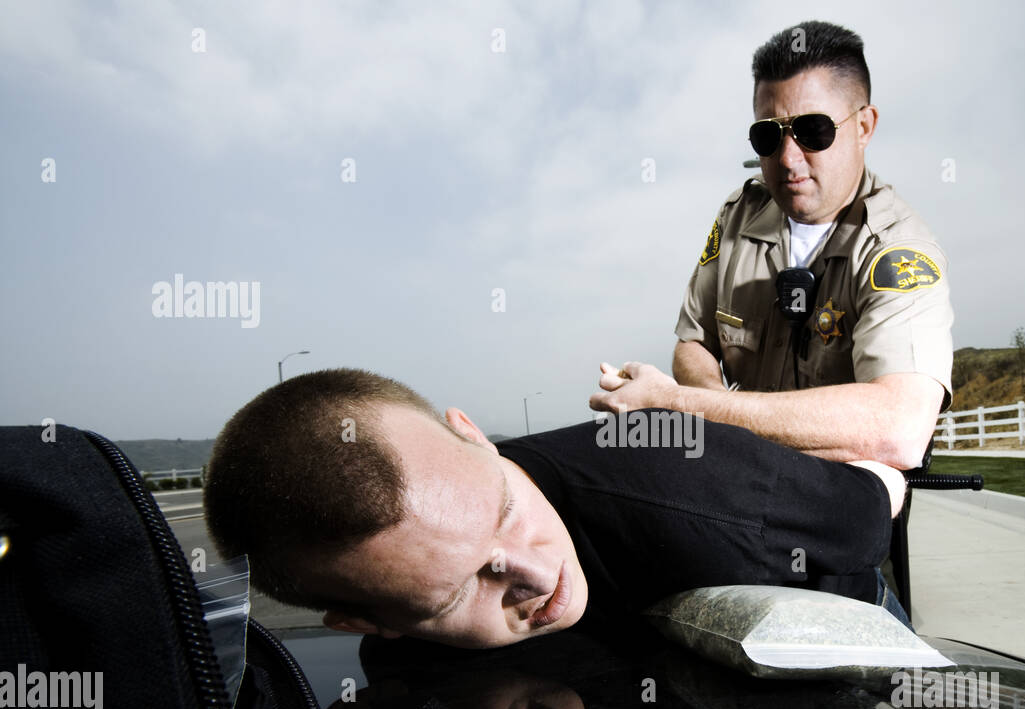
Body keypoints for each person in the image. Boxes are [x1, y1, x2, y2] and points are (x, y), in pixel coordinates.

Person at [203, 368, 908, 650]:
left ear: (473, 433)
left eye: (506, 510)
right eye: (459, 590)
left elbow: (873, 502)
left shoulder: (692, 486)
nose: (537, 577)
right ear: (368, 625)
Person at [590, 20, 953, 471]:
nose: (787, 159)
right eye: (768, 135)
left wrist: (679, 404)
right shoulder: (737, 216)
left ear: (864, 125)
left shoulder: (898, 251)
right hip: (740, 487)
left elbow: (898, 429)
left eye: (813, 131)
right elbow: (694, 342)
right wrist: (719, 417)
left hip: (839, 510)